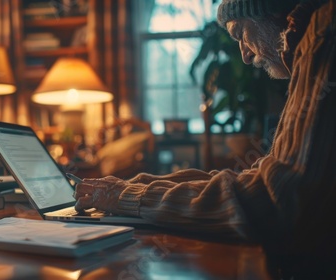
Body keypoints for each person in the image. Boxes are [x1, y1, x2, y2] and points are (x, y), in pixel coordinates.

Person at [74, 0, 336, 266]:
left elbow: (270, 201)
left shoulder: (325, 33)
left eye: (240, 35)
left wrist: (129, 196)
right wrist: (138, 186)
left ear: (272, 12)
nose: (244, 55)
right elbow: (257, 178)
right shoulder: (313, 38)